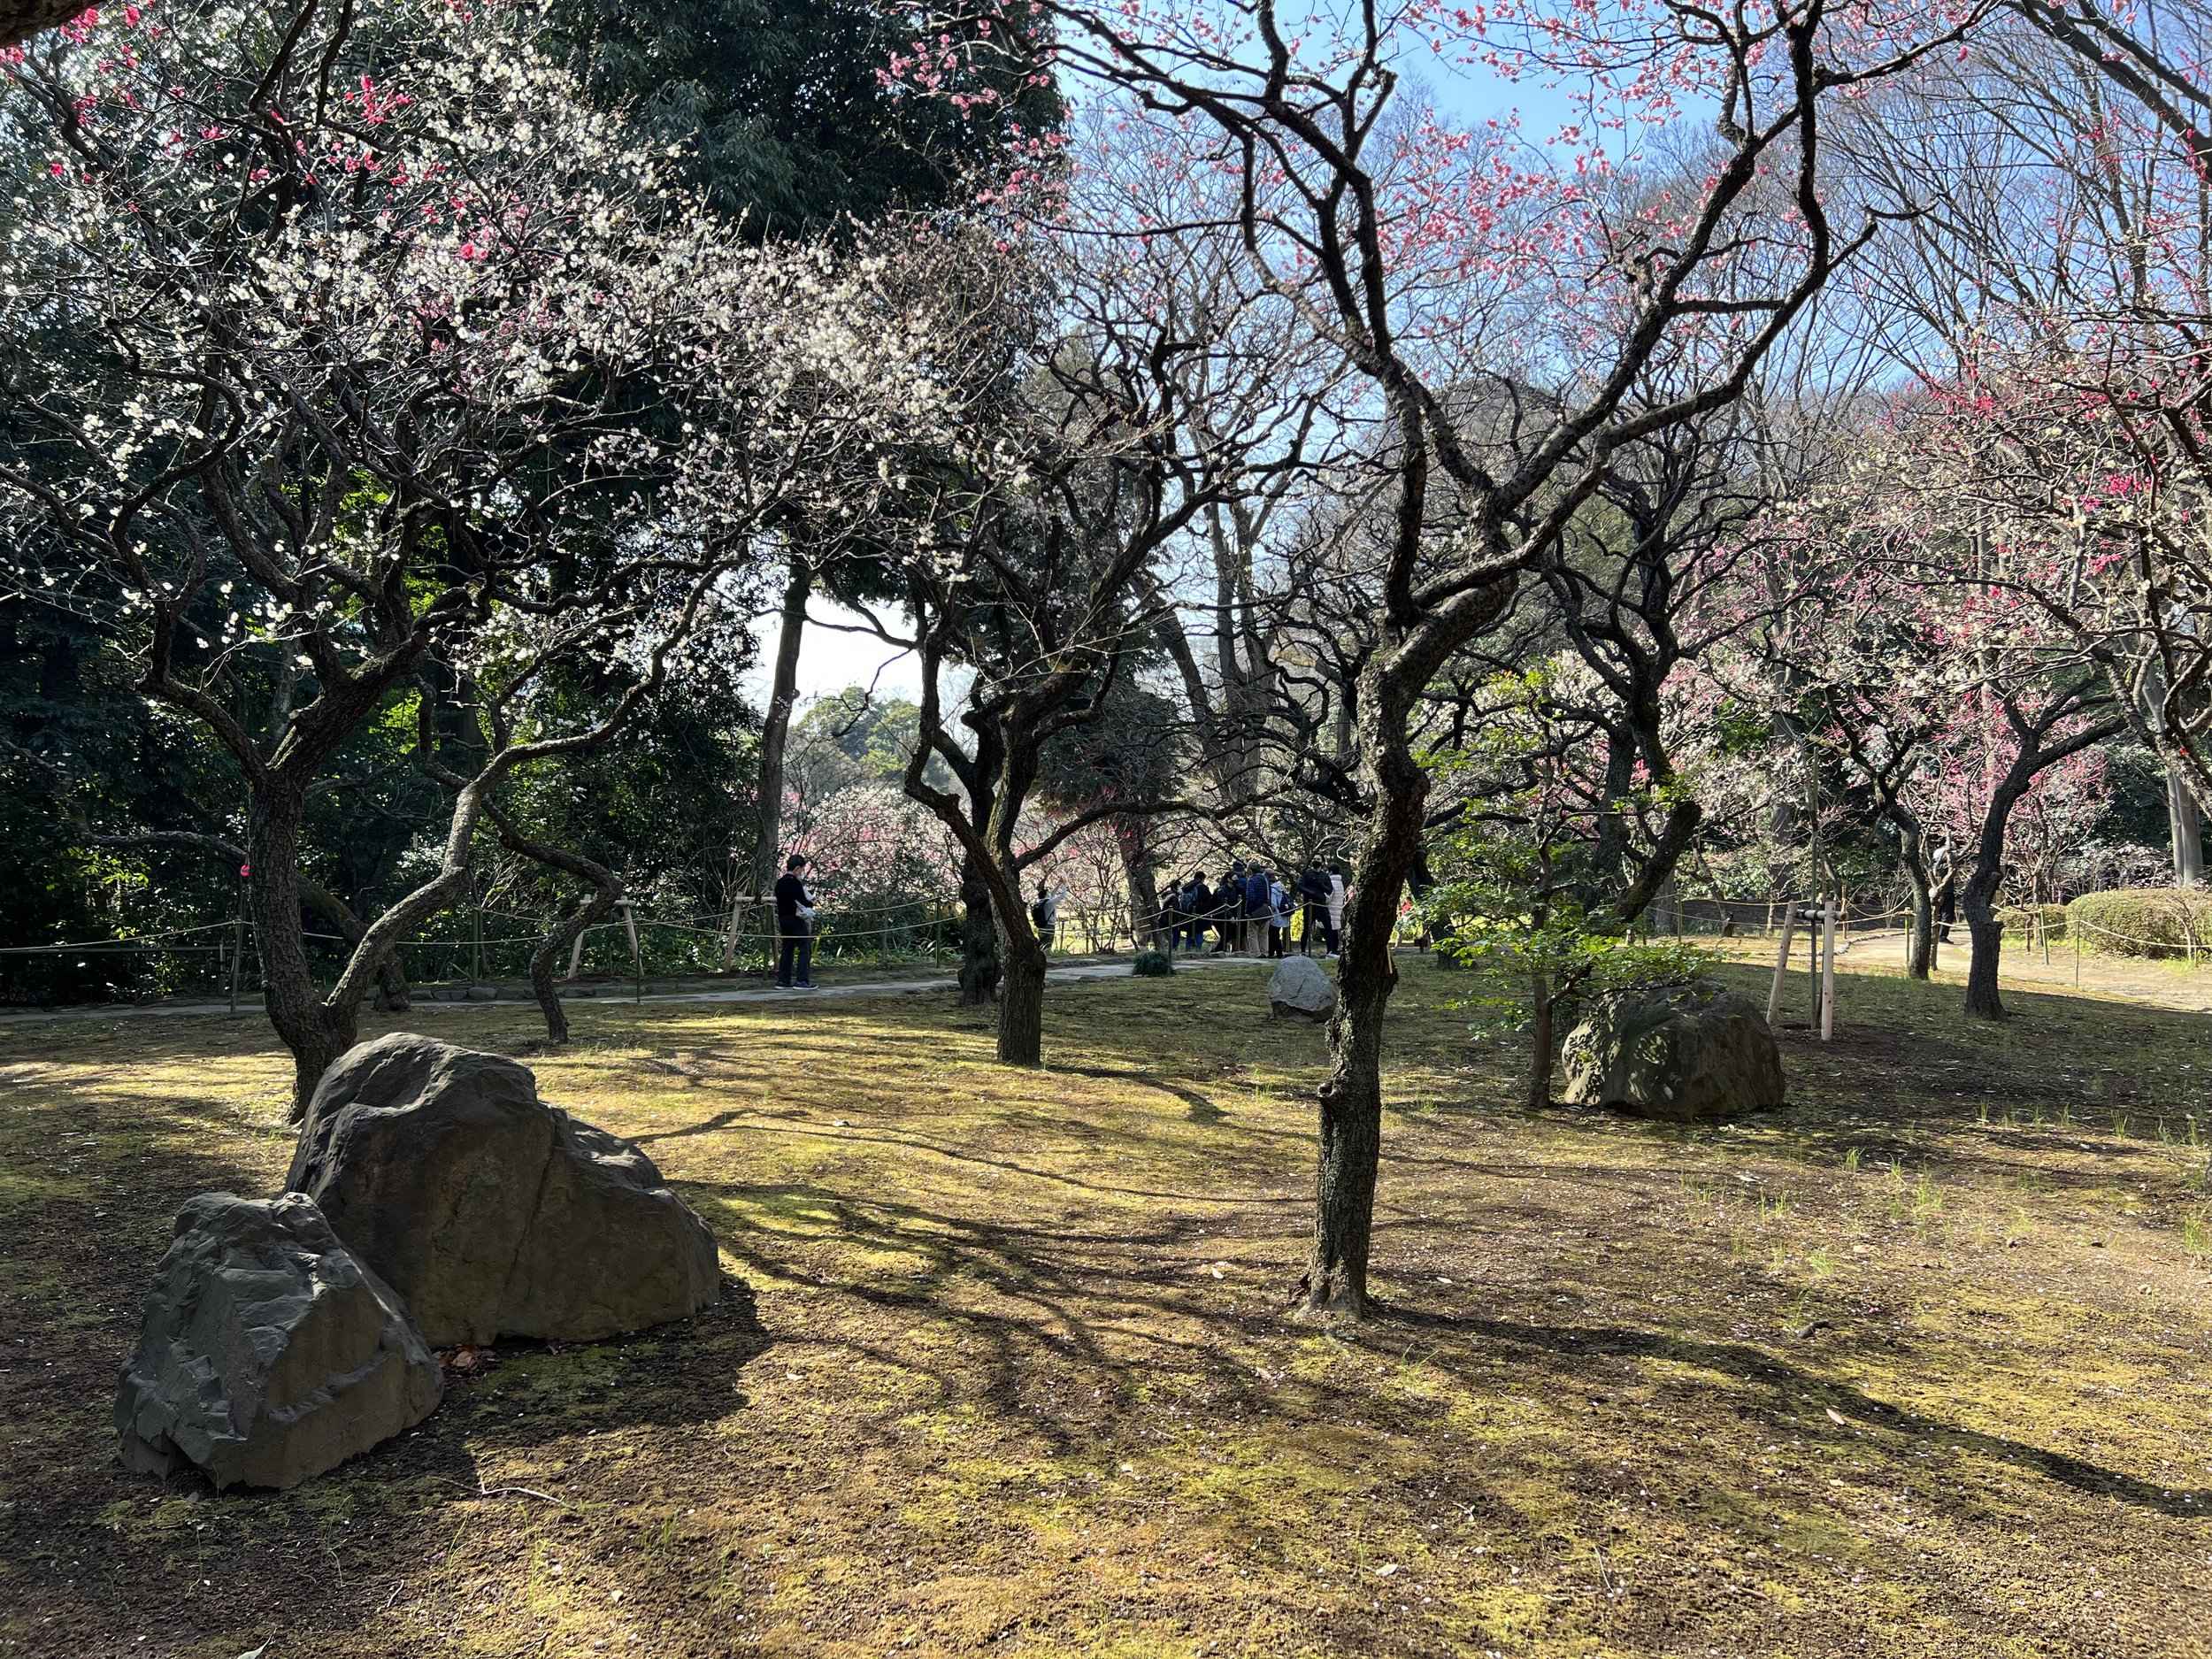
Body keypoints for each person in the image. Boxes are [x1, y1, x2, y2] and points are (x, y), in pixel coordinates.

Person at [773, 854, 817, 989]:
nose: (801, 873)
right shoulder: (794, 882)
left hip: (783, 919)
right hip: (795, 919)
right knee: (805, 948)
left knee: (787, 948)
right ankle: (802, 980)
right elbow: (802, 901)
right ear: (797, 868)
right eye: (801, 870)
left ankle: (783, 980)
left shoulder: (780, 882)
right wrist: (811, 904)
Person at [1297, 864, 1336, 956]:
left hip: (1320, 904)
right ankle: (1303, 951)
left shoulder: (1325, 876)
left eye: (1318, 859)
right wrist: (1312, 893)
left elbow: (1330, 890)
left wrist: (1321, 885)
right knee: (1306, 928)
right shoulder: (1307, 874)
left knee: (1328, 927)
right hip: (1309, 904)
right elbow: (1300, 886)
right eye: (1315, 859)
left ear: (1322, 862)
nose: (1316, 861)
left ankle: (1330, 950)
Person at [1243, 860, 1273, 956]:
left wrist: (1248, 911)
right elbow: (1269, 894)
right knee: (1264, 933)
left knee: (1252, 933)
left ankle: (1256, 953)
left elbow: (1250, 897)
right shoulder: (1265, 879)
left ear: (1251, 870)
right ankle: (1265, 952)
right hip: (1265, 908)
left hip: (1255, 910)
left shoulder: (1251, 880)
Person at [1031, 883, 1064, 952]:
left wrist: (1059, 884)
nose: (1050, 894)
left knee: (1041, 945)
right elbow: (1062, 896)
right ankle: (1046, 960)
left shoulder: (1039, 903)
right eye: (1048, 893)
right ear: (1046, 895)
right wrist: (1065, 887)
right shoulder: (1050, 903)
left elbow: (1052, 894)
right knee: (1047, 946)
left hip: (1040, 927)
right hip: (1049, 926)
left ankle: (1039, 958)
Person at [1327, 863, 1348, 959]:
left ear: (1330, 872)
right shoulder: (1340, 882)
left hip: (1331, 908)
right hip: (1338, 908)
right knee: (1335, 930)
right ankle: (1334, 950)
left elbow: (1329, 897)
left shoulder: (1331, 882)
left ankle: (1332, 950)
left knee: (1330, 930)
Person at [1268, 874, 1292, 958]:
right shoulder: (1281, 887)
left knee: (1273, 935)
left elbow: (1273, 904)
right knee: (1276, 934)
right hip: (1283, 915)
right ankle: (1277, 952)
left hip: (1276, 915)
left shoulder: (1272, 889)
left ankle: (1275, 953)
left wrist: (1271, 913)